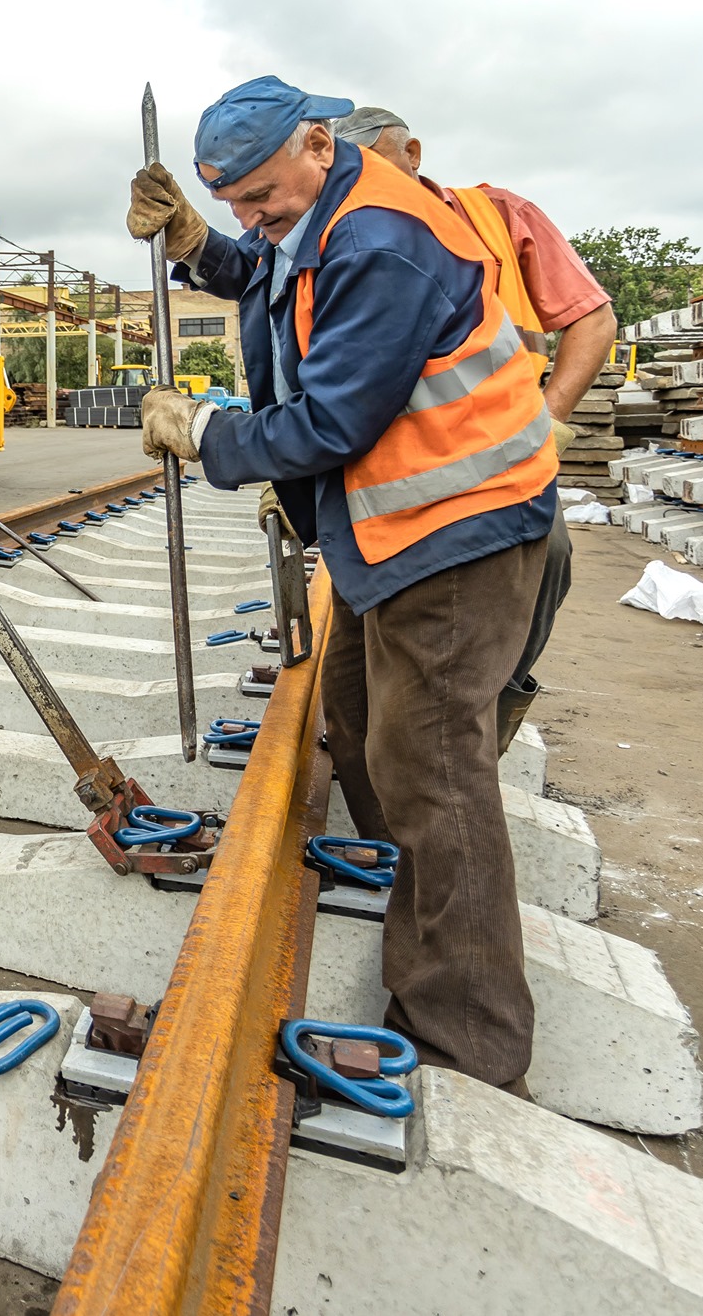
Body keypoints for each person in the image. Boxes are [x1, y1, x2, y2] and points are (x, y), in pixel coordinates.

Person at [125, 76, 557, 1092]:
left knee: (431, 767)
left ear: (317, 145)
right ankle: (403, 886)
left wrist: (205, 433)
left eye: (258, 196)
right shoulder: (322, 207)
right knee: (358, 716)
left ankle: (465, 1042)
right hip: (392, 527)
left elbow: (328, 425)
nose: (251, 218)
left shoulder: (378, 239)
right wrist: (197, 244)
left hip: (457, 532)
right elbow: (273, 272)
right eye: (230, 203)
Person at [330, 105, 617, 747]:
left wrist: (552, 419)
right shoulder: (344, 235)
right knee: (371, 600)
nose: (364, 184)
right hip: (391, 459)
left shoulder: (495, 217)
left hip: (498, 452)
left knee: (550, 558)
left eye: (374, 166)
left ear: (414, 154)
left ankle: (489, 712)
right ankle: (385, 733)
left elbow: (591, 320)